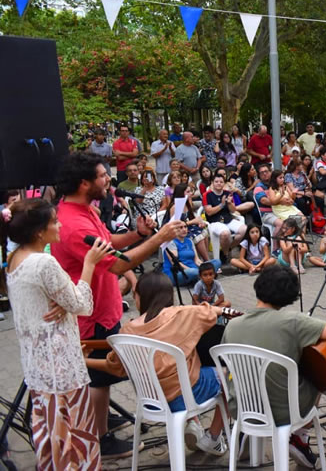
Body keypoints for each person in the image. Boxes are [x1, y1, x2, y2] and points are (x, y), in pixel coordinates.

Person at [50, 152, 182, 458]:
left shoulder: (85, 209)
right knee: (99, 378)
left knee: (106, 374)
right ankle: (101, 439)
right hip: (91, 315)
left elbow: (108, 241)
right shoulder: (73, 224)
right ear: (84, 183)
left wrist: (138, 234)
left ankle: (102, 417)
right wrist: (158, 238)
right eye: (102, 176)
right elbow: (117, 265)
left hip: (104, 307)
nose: (109, 179)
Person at [2, 199, 112, 470]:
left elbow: (48, 301)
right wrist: (89, 263)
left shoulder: (14, 259)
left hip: (38, 367)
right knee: (74, 440)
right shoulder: (44, 262)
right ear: (40, 231)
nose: (60, 225)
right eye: (54, 221)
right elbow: (82, 304)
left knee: (52, 436)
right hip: (61, 368)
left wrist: (65, 305)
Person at [86, 272, 230, 456]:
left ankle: (193, 423)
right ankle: (214, 438)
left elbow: (116, 368)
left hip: (151, 403)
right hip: (185, 398)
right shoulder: (183, 314)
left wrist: (84, 360)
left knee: (178, 371)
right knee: (232, 376)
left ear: (141, 297)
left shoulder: (127, 330)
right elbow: (217, 312)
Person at [222, 266, 326, 466]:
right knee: (317, 376)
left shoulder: (232, 325)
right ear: (289, 296)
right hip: (284, 412)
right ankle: (299, 437)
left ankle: (248, 433)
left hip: (242, 407)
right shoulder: (294, 321)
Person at [203, 175, 247, 262]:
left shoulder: (227, 193)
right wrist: (221, 205)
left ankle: (227, 250)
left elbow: (233, 210)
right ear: (212, 183)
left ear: (224, 183)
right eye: (216, 182)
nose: (219, 183)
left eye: (221, 182)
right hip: (214, 221)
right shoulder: (207, 195)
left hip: (228, 219)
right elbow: (209, 212)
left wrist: (230, 203)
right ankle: (226, 254)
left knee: (244, 229)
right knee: (225, 233)